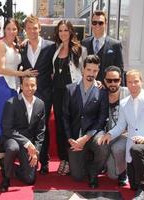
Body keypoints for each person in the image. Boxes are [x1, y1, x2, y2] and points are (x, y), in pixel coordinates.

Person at [99, 69, 144, 200]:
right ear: (126, 83)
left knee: (136, 150)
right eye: (129, 82)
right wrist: (109, 134)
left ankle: (142, 192)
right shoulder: (124, 102)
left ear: (142, 82)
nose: (132, 85)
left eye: (136, 81)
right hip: (132, 145)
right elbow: (121, 125)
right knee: (133, 185)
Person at [62, 55, 109, 188]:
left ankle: (94, 171)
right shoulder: (69, 89)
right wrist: (70, 138)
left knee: (103, 145)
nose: (91, 74)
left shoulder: (102, 92)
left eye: (95, 71)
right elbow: (65, 116)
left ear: (98, 71)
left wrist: (87, 137)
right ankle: (86, 159)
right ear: (83, 69)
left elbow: (102, 118)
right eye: (89, 70)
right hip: (75, 137)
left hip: (93, 134)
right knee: (77, 176)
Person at [0, 18, 37, 140]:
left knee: (10, 119)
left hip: (13, 86)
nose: (11, 31)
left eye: (14, 29)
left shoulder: (16, 45)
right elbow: (1, 69)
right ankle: (0, 152)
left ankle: (8, 150)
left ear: (18, 30)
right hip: (2, 84)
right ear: (4, 30)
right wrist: (22, 74)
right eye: (8, 29)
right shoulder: (0, 45)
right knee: (2, 118)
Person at [20, 14, 55, 175]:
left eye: (35, 28)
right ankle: (28, 158)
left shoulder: (51, 46)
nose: (32, 31)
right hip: (26, 93)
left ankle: (44, 161)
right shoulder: (22, 47)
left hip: (45, 94)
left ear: (39, 29)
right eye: (29, 28)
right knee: (27, 125)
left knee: (43, 127)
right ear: (25, 30)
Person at [51, 19, 87, 175]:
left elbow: (86, 71)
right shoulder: (55, 49)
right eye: (60, 30)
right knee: (60, 126)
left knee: (73, 126)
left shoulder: (80, 50)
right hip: (57, 94)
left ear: (71, 32)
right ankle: (64, 159)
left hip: (73, 93)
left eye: (66, 30)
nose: (63, 33)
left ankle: (74, 160)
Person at [0, 75, 45, 192]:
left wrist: (36, 151)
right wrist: (27, 143)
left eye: (32, 85)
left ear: (36, 86)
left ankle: (5, 163)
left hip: (29, 144)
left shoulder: (40, 104)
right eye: (26, 85)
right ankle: (6, 178)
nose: (30, 88)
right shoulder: (11, 102)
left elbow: (41, 131)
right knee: (12, 148)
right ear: (21, 86)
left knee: (30, 179)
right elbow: (7, 128)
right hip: (12, 138)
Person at [103, 66, 129, 186]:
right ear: (104, 81)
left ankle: (124, 173)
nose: (112, 83)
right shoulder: (101, 94)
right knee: (112, 175)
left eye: (116, 80)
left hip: (126, 135)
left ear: (120, 80)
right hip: (109, 135)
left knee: (117, 148)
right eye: (109, 80)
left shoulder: (128, 93)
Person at [82, 10, 124, 83]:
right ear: (91, 24)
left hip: (107, 89)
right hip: (88, 88)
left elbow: (119, 70)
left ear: (106, 24)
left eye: (100, 23)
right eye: (94, 23)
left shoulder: (115, 45)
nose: (97, 25)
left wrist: (121, 91)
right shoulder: (84, 43)